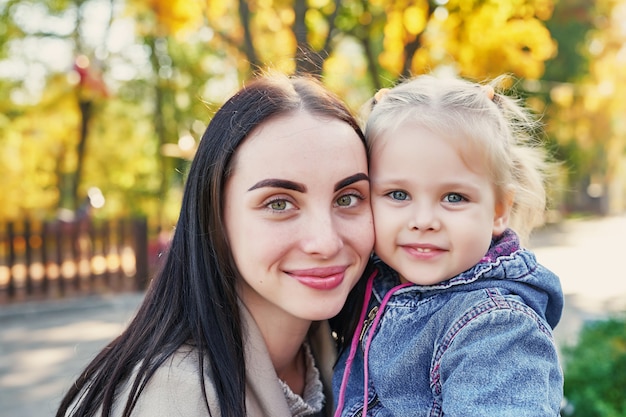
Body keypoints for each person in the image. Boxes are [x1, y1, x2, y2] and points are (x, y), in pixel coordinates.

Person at [56, 73, 375, 417]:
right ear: (215, 216)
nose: (325, 242)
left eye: (348, 198)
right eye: (279, 203)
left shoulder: (364, 356)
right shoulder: (174, 399)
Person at [332, 74, 564, 416]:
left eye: (454, 197)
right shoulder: (372, 285)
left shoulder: (495, 330)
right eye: (398, 194)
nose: (424, 220)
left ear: (499, 210)